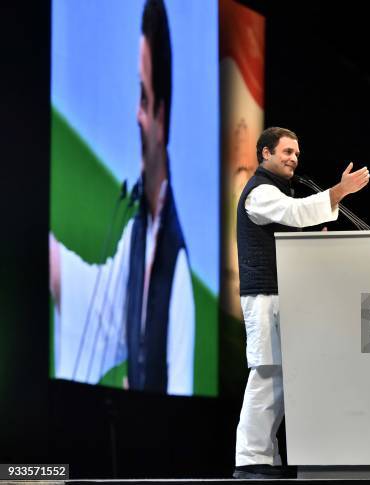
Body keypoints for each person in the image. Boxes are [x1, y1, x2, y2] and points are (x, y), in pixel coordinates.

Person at [49, 0, 195, 395]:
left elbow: (179, 394)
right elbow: (98, 312)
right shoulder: (138, 233)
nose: (136, 115)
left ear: (161, 118)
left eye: (144, 100)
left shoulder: (175, 266)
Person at [233, 127, 370, 479]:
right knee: (265, 373)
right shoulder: (260, 192)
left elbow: (292, 223)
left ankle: (264, 458)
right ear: (265, 153)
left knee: (275, 377)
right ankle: (251, 460)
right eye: (286, 151)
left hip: (280, 296)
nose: (294, 158)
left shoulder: (277, 192)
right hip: (264, 297)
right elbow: (294, 213)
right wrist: (339, 192)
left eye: (296, 152)